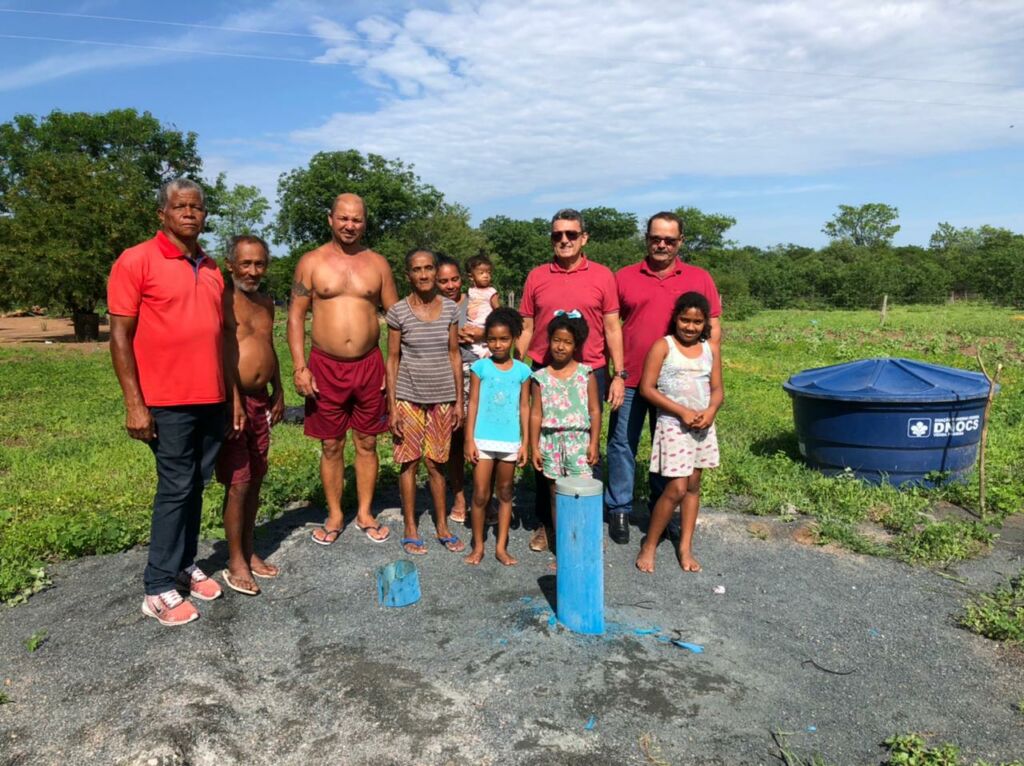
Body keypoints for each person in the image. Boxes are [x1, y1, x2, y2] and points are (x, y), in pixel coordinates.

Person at [108, 178, 242, 626]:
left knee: (196, 484)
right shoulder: (136, 261)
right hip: (165, 400)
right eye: (180, 206)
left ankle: (183, 565)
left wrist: (230, 397)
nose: (189, 213)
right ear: (162, 214)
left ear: (205, 215)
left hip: (210, 396)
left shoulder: (209, 266)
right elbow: (120, 337)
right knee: (175, 486)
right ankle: (157, 586)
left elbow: (222, 337)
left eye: (196, 207)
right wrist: (134, 403)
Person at [287, 193, 398, 546]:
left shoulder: (378, 264)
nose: (351, 225)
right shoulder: (311, 262)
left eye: (357, 219)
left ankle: (365, 512)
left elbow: (396, 318)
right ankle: (335, 514)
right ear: (330, 219)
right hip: (325, 366)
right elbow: (295, 316)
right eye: (344, 218)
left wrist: (393, 367)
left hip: (370, 365)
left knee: (367, 441)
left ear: (365, 222)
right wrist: (300, 366)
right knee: (331, 445)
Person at [605, 211, 722, 545]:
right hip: (630, 377)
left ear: (680, 242)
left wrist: (709, 379)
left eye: (669, 240)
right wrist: (617, 372)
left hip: (679, 384)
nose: (661, 244)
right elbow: (612, 326)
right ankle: (620, 508)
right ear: (647, 238)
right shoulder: (625, 276)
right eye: (656, 238)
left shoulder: (700, 278)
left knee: (670, 446)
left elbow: (713, 332)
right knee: (622, 443)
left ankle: (663, 507)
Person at [517, 209, 625, 553]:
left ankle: (583, 522)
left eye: (571, 234)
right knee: (542, 444)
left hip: (588, 370)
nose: (564, 240)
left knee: (584, 448)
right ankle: (547, 525)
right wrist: (514, 369)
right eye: (557, 235)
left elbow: (611, 326)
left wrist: (618, 374)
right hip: (543, 371)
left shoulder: (603, 276)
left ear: (584, 238)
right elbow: (528, 326)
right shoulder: (536, 276)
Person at [216, 235, 285, 596]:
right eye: (246, 263)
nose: (253, 271)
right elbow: (219, 350)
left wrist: (279, 387)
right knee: (238, 481)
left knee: (256, 476)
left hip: (260, 399)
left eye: (259, 264)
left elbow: (268, 345)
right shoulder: (222, 301)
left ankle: (249, 548)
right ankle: (235, 560)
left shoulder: (265, 302)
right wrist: (232, 398)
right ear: (230, 264)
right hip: (233, 402)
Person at [635, 293, 722, 573]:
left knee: (694, 487)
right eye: (685, 319)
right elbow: (647, 388)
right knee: (676, 488)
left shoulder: (711, 349)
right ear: (676, 318)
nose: (690, 326)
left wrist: (710, 412)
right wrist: (680, 411)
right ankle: (650, 543)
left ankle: (685, 546)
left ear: (705, 323)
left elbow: (718, 389)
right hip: (673, 425)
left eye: (697, 322)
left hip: (702, 428)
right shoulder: (664, 346)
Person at [385, 249, 465, 556]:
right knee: (410, 462)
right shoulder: (398, 312)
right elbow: (392, 359)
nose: (423, 275)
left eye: (428, 268)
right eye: (417, 269)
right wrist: (392, 406)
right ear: (408, 275)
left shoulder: (449, 310)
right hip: (408, 396)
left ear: (435, 271)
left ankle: (442, 526)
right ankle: (410, 527)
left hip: (442, 397)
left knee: (436, 463)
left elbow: (454, 354)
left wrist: (458, 400)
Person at [528, 313, 602, 567]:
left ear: (576, 345)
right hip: (550, 442)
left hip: (578, 442)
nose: (560, 346)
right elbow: (536, 413)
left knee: (580, 493)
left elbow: (594, 410)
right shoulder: (540, 377)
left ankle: (581, 542)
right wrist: (533, 445)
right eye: (556, 340)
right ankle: (563, 549)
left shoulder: (586, 373)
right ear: (549, 341)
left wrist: (593, 443)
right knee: (555, 495)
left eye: (567, 342)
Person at [463, 308, 531, 566]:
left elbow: (525, 407)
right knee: (480, 494)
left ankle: (501, 547)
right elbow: (474, 403)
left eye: (503, 339)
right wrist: (469, 439)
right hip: (483, 439)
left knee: (505, 493)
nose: (498, 344)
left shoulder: (522, 372)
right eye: (492, 339)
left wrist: (524, 442)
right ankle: (478, 545)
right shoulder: (480, 367)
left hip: (510, 441)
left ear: (514, 338)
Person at [436, 254, 477, 525]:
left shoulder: (477, 302)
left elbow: (502, 331)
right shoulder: (433, 306)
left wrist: (479, 334)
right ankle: (460, 496)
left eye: (454, 279)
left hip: (477, 373)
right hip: (447, 375)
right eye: (443, 281)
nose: (450, 285)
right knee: (454, 438)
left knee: (479, 439)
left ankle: (484, 498)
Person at [464, 253, 500, 359]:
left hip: (485, 325)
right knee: (471, 345)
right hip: (471, 325)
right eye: (481, 273)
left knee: (487, 348)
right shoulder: (470, 291)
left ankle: (488, 358)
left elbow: (498, 310)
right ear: (471, 276)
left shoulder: (491, 291)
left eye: (488, 272)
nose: (486, 275)